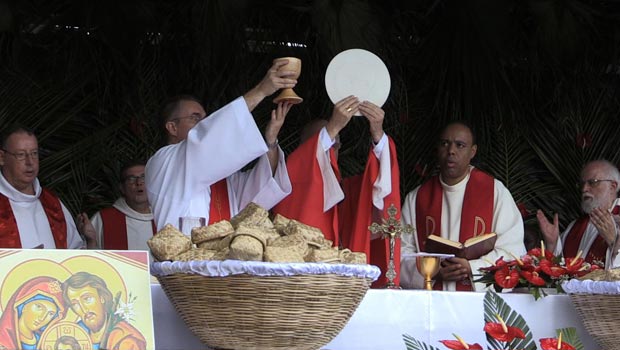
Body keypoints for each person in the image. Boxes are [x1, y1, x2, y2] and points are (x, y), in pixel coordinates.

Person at [146, 60, 296, 230]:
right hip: (183, 255)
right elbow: (209, 137)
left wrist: (270, 142)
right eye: (195, 118)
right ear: (172, 127)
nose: (204, 123)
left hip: (224, 255)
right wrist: (261, 90)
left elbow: (262, 189)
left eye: (206, 118)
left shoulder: (223, 179)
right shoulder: (164, 161)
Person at [272, 95, 401, 287]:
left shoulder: (351, 192)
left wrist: (378, 135)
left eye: (335, 145)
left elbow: (382, 189)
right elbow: (302, 167)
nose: (330, 151)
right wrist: (332, 128)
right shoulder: (287, 182)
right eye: (325, 144)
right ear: (303, 149)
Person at [400, 121, 526, 291]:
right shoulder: (416, 198)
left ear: (472, 151)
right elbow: (400, 254)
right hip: (432, 302)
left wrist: (472, 268)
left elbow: (513, 250)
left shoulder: (495, 192)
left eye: (460, 145)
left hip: (477, 304)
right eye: (445, 143)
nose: (451, 151)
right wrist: (432, 271)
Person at [0, 125, 92, 249]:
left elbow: (74, 255)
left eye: (34, 153)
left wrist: (91, 242)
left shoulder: (53, 204)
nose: (30, 162)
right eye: (21, 155)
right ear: (2, 157)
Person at [537, 160, 620, 268]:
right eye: (582, 184)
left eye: (593, 182)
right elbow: (561, 272)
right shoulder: (575, 226)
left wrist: (614, 242)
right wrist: (552, 243)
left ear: (612, 186)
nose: (584, 189)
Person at [79, 160, 155, 250]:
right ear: (122, 188)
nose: (139, 183)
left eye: (143, 177)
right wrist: (91, 241)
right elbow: (90, 260)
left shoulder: (165, 217)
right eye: (131, 179)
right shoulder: (103, 219)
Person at [62, 271, 146, 350]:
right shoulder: (75, 333)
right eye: (75, 304)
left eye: (87, 299)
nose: (84, 309)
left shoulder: (126, 339)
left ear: (101, 297)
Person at [0, 276, 65, 350]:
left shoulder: (45, 341)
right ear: (23, 305)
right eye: (39, 307)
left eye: (51, 314)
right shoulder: (3, 340)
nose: (42, 318)